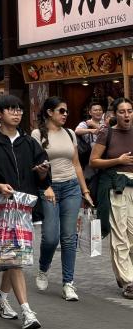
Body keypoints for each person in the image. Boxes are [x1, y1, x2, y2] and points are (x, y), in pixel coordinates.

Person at [0, 95, 50, 329]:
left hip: (25, 206)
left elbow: (44, 175)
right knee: (15, 257)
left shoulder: (29, 143)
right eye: (11, 109)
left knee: (13, 255)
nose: (16, 113)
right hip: (2, 207)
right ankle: (27, 311)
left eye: (19, 109)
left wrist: (41, 173)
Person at [31, 97, 93, 302]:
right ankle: (43, 268)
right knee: (50, 237)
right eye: (61, 111)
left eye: (66, 111)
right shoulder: (37, 134)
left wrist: (85, 191)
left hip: (71, 188)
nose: (66, 114)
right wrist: (44, 183)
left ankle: (68, 283)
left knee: (69, 237)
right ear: (49, 112)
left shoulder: (70, 133)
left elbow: (76, 165)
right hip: (49, 189)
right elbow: (33, 166)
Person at [89, 97, 133, 300]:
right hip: (116, 186)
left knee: (132, 234)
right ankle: (128, 280)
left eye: (130, 111)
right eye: (122, 111)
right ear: (115, 114)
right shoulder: (107, 132)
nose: (127, 115)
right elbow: (94, 162)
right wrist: (118, 160)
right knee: (120, 234)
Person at [75, 102, 104, 176]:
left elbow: (107, 132)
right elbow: (77, 131)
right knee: (91, 181)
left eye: (100, 110)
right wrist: (91, 130)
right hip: (89, 159)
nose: (98, 112)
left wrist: (94, 125)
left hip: (104, 158)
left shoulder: (105, 123)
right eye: (95, 110)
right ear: (90, 112)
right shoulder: (85, 124)